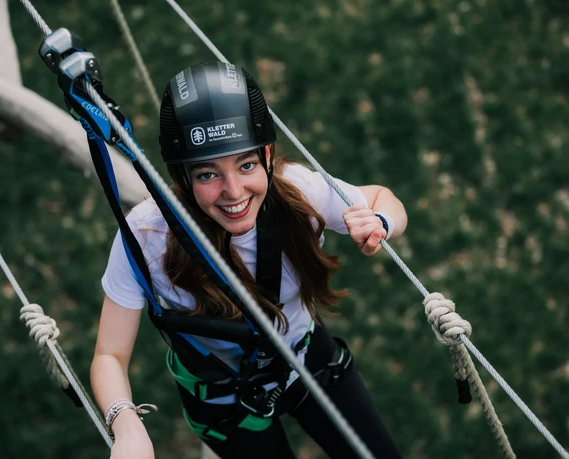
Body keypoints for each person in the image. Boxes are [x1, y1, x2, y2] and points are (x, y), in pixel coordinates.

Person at [91, 61, 407, 459]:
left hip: (307, 355)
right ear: (182, 176)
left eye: (246, 165)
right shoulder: (146, 238)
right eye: (208, 174)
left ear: (267, 155)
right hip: (225, 402)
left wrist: (380, 222)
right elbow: (109, 356)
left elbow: (384, 199)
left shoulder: (299, 194)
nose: (233, 192)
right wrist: (126, 425)